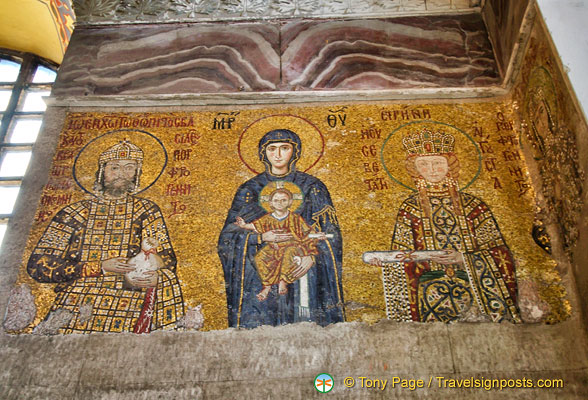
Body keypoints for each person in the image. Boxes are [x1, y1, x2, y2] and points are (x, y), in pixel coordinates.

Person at [27, 140, 184, 333]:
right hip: (76, 302)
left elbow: (167, 258)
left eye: (129, 168)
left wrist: (155, 276)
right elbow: (38, 265)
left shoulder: (146, 211)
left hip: (131, 301)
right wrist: (99, 267)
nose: (121, 174)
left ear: (137, 173)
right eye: (114, 167)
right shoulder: (74, 213)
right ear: (102, 171)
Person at [375, 129, 520, 323]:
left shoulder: (473, 206)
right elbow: (402, 252)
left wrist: (463, 259)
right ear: (415, 169)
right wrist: (387, 261)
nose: (432, 169)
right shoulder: (410, 209)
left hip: (475, 292)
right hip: (428, 296)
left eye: (438, 162)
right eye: (424, 164)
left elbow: (500, 253)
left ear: (449, 165)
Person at [218, 129, 344, 328]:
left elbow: (331, 235)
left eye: (284, 148)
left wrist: (312, 256)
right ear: (263, 153)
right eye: (272, 149)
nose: (277, 154)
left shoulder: (313, 187)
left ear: (295, 152)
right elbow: (228, 237)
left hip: (302, 265)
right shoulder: (250, 189)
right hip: (259, 269)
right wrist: (260, 238)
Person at [235, 187, 328, 301]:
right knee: (260, 257)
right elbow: (255, 226)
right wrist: (244, 225)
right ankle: (267, 287)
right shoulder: (267, 218)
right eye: (276, 200)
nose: (280, 203)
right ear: (271, 203)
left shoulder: (295, 218)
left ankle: (283, 281)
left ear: (290, 202)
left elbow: (307, 232)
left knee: (288, 255)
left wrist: (317, 235)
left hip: (293, 246)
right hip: (274, 247)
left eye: (283, 200)